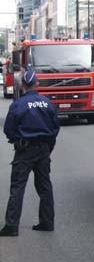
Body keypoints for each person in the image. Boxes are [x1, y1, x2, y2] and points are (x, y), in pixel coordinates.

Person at [0, 69, 60, 236]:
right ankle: (47, 222)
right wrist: (48, 147)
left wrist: (18, 141)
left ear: (22, 85)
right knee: (45, 187)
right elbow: (55, 128)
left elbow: (9, 129)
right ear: (37, 84)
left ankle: (12, 226)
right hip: (43, 149)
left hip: (25, 150)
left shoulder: (18, 105)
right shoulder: (48, 103)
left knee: (18, 187)